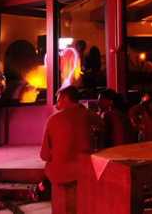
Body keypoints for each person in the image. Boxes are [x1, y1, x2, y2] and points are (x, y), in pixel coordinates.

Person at [40, 86, 97, 214]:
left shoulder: (53, 120)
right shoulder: (89, 116)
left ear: (65, 98)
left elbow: (44, 155)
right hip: (86, 174)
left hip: (61, 177)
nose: (56, 103)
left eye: (58, 99)